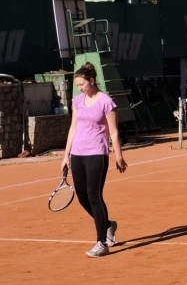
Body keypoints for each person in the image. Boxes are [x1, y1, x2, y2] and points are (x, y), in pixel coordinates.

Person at [61, 62, 127, 258]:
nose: (80, 88)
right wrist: (66, 155)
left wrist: (119, 155)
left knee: (93, 196)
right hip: (78, 154)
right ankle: (108, 225)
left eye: (82, 84)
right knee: (82, 196)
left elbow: (114, 132)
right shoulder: (77, 101)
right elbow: (73, 128)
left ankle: (101, 242)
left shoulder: (106, 102)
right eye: (78, 85)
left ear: (91, 81)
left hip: (97, 153)